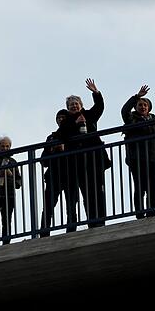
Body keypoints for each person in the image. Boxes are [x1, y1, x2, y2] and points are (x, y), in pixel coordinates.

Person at [56, 78, 112, 228]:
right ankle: (92, 221)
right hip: (78, 162)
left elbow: (99, 107)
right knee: (86, 193)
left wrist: (96, 93)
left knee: (98, 191)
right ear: (68, 108)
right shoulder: (67, 122)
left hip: (95, 159)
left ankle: (101, 220)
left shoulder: (89, 115)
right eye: (71, 105)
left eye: (76, 104)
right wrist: (74, 125)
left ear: (81, 105)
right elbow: (60, 136)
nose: (74, 106)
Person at [121, 85, 155, 219]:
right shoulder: (131, 119)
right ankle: (139, 212)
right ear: (136, 107)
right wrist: (137, 96)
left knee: (152, 185)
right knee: (140, 186)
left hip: (152, 157)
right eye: (140, 105)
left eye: (145, 105)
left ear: (149, 108)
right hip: (137, 158)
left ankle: (151, 211)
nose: (143, 107)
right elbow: (124, 110)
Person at [39, 109, 78, 235]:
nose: (61, 120)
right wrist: (51, 150)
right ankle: (44, 232)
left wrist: (64, 149)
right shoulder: (51, 137)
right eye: (58, 118)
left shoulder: (73, 134)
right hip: (53, 176)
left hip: (70, 174)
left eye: (63, 117)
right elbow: (43, 161)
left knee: (71, 205)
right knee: (48, 206)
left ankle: (71, 230)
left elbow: (78, 154)